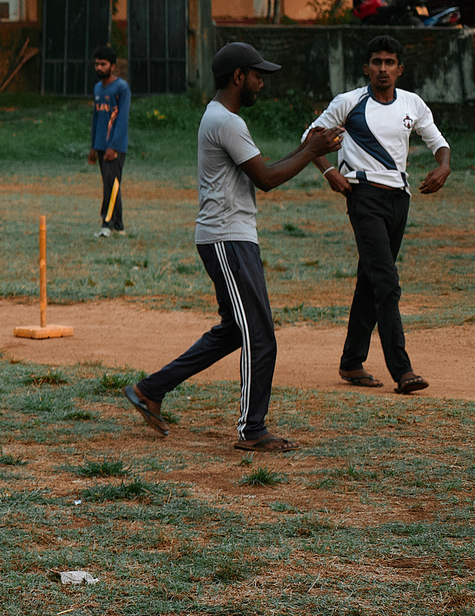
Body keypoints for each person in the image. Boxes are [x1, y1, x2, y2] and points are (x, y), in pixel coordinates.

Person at [123, 42, 339, 452]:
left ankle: (150, 390)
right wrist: (311, 150)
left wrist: (308, 148)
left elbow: (264, 169)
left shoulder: (222, 117)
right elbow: (268, 180)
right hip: (228, 239)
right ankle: (252, 430)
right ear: (238, 76)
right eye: (257, 75)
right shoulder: (226, 122)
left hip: (230, 237)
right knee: (260, 335)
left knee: (233, 331)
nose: (261, 83)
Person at [307, 36, 450, 394]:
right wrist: (329, 172)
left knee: (371, 281)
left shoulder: (412, 103)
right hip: (363, 197)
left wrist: (443, 167)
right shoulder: (349, 102)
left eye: (389, 62)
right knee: (387, 282)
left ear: (400, 69)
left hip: (399, 199)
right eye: (376, 62)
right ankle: (402, 370)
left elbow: (438, 142)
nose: (383, 69)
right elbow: (311, 137)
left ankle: (351, 362)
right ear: (366, 68)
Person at [89, 48, 130, 237]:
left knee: (111, 184)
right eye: (97, 64)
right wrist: (93, 146)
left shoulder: (122, 88)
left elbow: (122, 120)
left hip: (115, 146)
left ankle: (107, 224)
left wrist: (113, 146)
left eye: (103, 64)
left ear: (112, 66)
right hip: (100, 145)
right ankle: (118, 225)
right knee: (109, 184)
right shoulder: (98, 88)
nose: (99, 67)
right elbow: (96, 119)